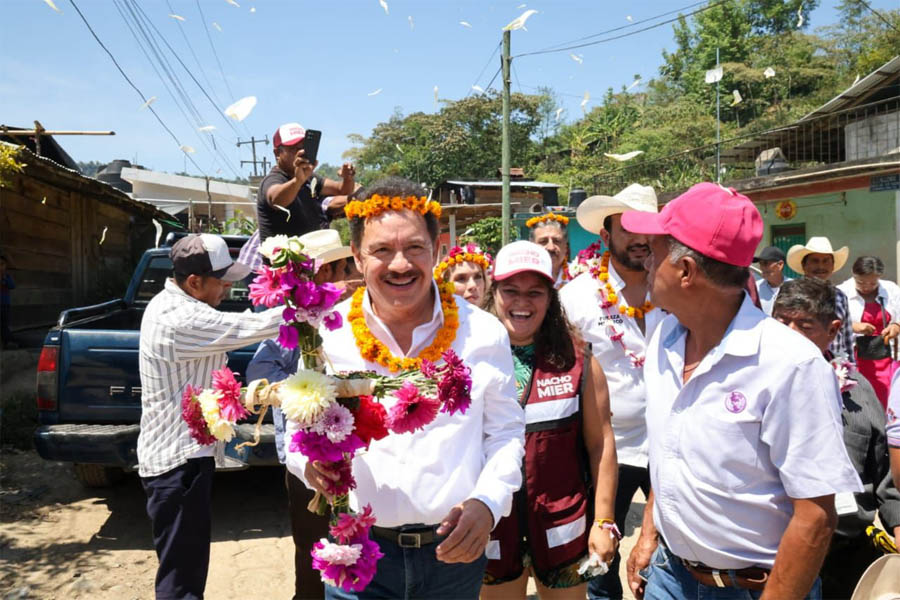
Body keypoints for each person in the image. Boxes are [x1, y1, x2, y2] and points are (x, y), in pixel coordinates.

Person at [286, 177, 526, 600]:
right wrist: (308, 467)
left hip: (453, 556)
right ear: (358, 257)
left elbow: (505, 433)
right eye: (381, 250)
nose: (400, 264)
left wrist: (488, 503)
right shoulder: (326, 335)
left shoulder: (484, 333)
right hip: (358, 556)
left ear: (436, 252)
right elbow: (295, 430)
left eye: (414, 247)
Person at [622, 183, 861, 600]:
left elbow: (815, 516)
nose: (646, 263)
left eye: (655, 253)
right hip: (670, 577)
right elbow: (671, 448)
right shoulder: (663, 337)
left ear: (686, 272)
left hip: (756, 589)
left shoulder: (791, 365)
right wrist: (648, 534)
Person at [137, 234, 286, 600]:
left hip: (181, 461)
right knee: (181, 581)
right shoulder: (180, 319)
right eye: (223, 280)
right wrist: (315, 302)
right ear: (194, 282)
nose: (229, 287)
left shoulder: (178, 304)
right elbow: (247, 329)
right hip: (177, 465)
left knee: (185, 569)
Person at [479, 241, 618, 599]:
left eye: (535, 292)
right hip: (492, 528)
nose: (521, 302)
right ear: (494, 292)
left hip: (562, 528)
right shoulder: (467, 359)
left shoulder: (579, 359)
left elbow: (601, 444)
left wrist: (603, 522)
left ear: (551, 297)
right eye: (510, 290)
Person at [560, 183, 661, 600]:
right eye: (629, 226)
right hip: (606, 452)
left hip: (670, 447)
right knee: (601, 567)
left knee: (673, 554)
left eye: (648, 228)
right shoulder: (576, 298)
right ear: (605, 235)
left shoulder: (678, 291)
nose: (640, 238)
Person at [771, 277, 900, 599]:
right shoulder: (744, 385)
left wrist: (897, 522)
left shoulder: (857, 390)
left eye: (804, 325)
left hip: (846, 547)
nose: (789, 334)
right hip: (772, 552)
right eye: (781, 322)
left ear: (832, 330)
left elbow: (882, 471)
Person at [246, 228, 354, 600]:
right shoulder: (290, 324)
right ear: (324, 273)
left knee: (353, 552)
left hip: (357, 457)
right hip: (307, 460)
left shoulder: (357, 320)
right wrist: (309, 387)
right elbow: (260, 373)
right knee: (313, 555)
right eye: (342, 270)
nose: (346, 279)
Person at [257, 123, 356, 242]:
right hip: (283, 260)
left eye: (304, 148)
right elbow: (277, 200)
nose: (301, 152)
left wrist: (348, 178)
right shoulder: (273, 179)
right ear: (277, 153)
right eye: (294, 148)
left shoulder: (308, 177)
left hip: (309, 257)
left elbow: (342, 190)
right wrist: (298, 181)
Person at [837, 256, 900, 408]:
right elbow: (830, 322)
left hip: (886, 357)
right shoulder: (841, 292)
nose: (867, 287)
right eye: (861, 282)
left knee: (888, 399)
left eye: (873, 283)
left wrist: (896, 326)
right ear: (853, 275)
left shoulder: (890, 289)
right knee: (862, 402)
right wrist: (853, 326)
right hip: (855, 359)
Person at [786, 237, 855, 362]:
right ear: (804, 265)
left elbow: (847, 337)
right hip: (799, 364)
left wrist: (851, 368)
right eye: (815, 261)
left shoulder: (840, 296)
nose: (820, 266)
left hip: (835, 368)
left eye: (825, 261)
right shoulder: (791, 294)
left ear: (833, 266)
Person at [526, 213, 571, 289]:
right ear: (531, 246)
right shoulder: (523, 276)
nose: (551, 247)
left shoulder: (579, 275)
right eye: (543, 241)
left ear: (565, 247)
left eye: (556, 241)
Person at [752, 246, 791, 316]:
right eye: (760, 264)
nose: (762, 268)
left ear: (780, 265)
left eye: (765, 263)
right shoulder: (755, 288)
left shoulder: (794, 287)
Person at [0, 253, 15, 348]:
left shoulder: (7, 276)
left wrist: (4, 279)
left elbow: (12, 286)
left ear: (5, 266)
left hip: (5, 304)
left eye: (2, 264)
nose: (0, 267)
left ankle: (7, 343)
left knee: (4, 324)